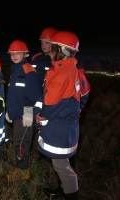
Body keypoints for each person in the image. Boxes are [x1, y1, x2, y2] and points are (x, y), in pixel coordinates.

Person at [34, 31, 81, 200]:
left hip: (59, 128)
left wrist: (39, 118)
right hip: (65, 126)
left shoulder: (62, 74)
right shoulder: (68, 69)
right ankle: (63, 190)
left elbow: (51, 104)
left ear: (60, 50)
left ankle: (71, 195)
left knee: (61, 166)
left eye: (52, 47)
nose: (50, 51)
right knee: (62, 164)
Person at [5, 40, 42, 181]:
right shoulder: (15, 70)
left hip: (25, 116)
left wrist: (29, 113)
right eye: (12, 53)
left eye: (18, 53)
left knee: (21, 145)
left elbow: (37, 96)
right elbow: (14, 94)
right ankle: (21, 167)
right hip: (17, 115)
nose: (14, 56)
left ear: (25, 53)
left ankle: (24, 172)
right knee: (18, 143)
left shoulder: (29, 70)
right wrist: (10, 111)